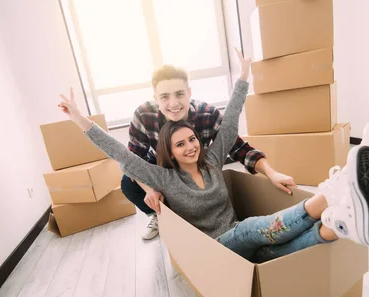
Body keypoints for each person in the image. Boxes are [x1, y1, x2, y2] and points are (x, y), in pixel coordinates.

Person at [57, 50, 369, 262]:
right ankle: (329, 195)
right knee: (249, 233)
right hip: (215, 249)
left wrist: (243, 76)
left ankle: (342, 225)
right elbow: (120, 154)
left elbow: (230, 123)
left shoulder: (212, 160)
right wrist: (77, 117)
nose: (190, 146)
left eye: (192, 139)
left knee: (273, 252)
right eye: (180, 145)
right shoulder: (165, 177)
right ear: (169, 154)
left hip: (239, 232)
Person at [123, 61, 296, 240]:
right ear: (155, 97)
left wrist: (272, 173)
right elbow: (133, 158)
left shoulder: (207, 114)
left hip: (194, 165)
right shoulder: (144, 115)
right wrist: (150, 190)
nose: (173, 103)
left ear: (189, 92)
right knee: (128, 183)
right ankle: (158, 215)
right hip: (159, 165)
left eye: (180, 94)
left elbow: (238, 147)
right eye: (165, 97)